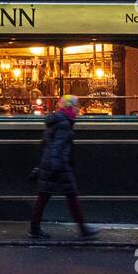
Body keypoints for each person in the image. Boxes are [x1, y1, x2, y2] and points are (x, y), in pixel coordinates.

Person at [29, 95, 99, 239]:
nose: (77, 109)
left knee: (44, 196)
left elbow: (45, 144)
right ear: (69, 107)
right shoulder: (64, 123)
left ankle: (34, 228)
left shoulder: (57, 120)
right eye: (75, 106)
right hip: (58, 165)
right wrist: (55, 165)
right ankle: (83, 229)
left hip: (51, 163)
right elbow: (57, 145)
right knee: (70, 195)